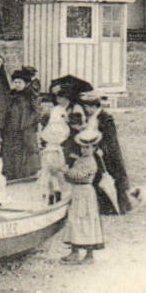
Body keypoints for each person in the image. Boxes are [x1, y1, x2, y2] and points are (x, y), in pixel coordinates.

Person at [61, 127, 105, 263]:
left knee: (86, 220)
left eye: (88, 147)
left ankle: (89, 254)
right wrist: (69, 173)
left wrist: (66, 171)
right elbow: (72, 176)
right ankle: (74, 251)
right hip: (77, 192)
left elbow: (77, 175)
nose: (84, 150)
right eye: (83, 147)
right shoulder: (81, 160)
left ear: (94, 148)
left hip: (85, 193)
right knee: (75, 220)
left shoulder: (91, 162)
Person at [0, 68, 41, 182]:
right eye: (15, 82)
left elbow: (37, 113)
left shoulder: (30, 96)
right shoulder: (11, 96)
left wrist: (26, 124)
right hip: (11, 129)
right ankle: (11, 175)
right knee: (10, 151)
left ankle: (25, 175)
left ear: (26, 83)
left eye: (20, 82)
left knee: (24, 152)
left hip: (25, 130)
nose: (17, 85)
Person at [39, 88, 71, 205]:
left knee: (50, 172)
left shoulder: (55, 116)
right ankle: (55, 192)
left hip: (50, 148)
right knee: (55, 172)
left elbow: (46, 134)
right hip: (56, 148)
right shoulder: (59, 114)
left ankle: (53, 193)